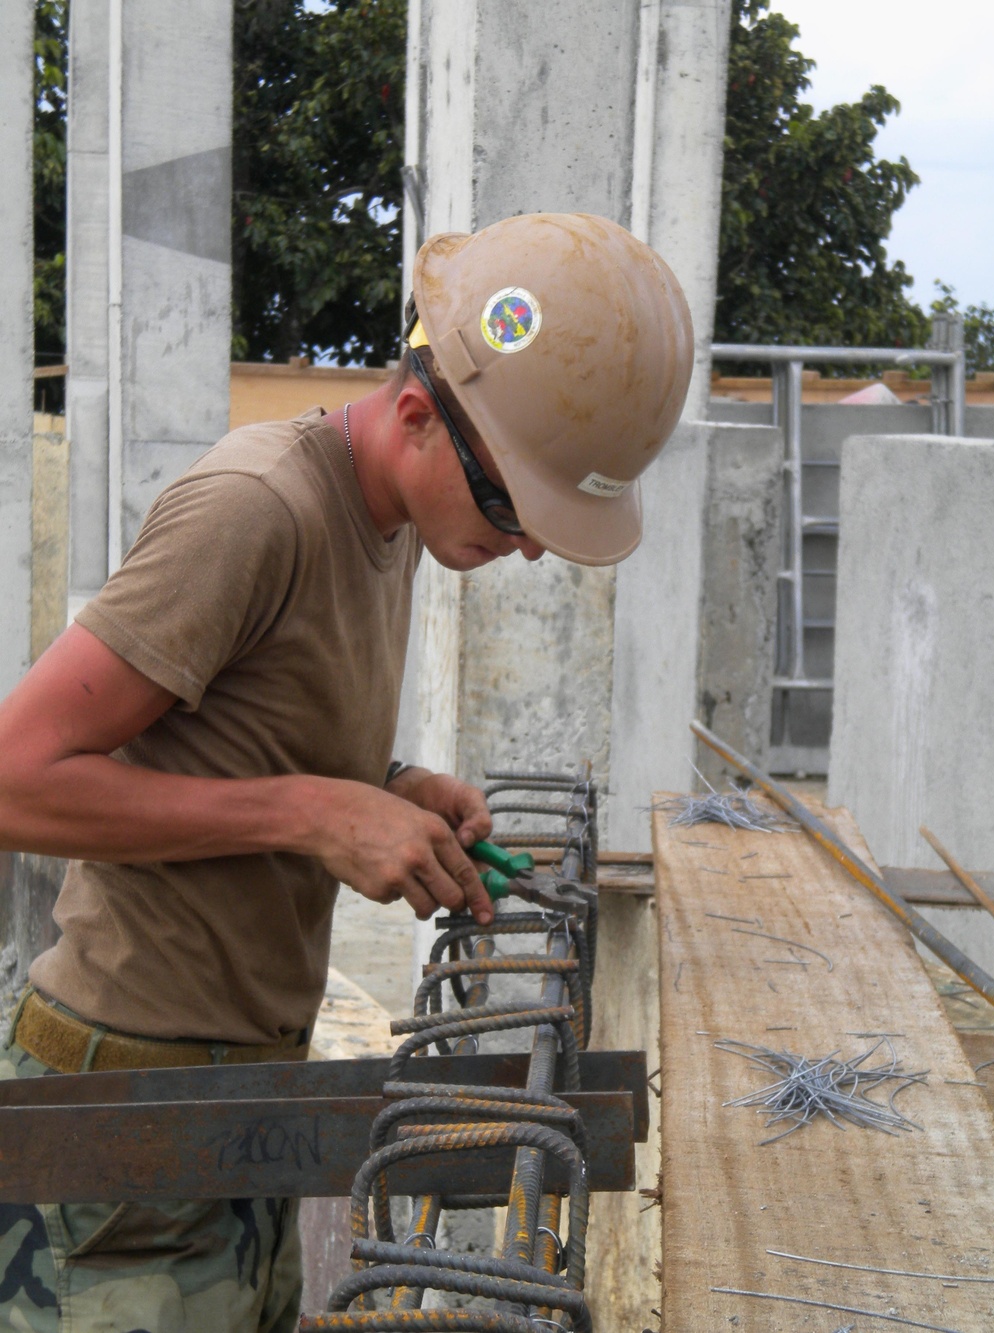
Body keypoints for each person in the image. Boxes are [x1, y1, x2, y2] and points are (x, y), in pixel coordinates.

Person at [0, 211, 693, 1331]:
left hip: (243, 1091)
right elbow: (14, 779)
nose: (523, 547)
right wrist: (316, 811)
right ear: (418, 415)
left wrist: (388, 779)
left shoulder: (395, 519)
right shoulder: (254, 506)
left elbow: (234, 711)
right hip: (117, 1118)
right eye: (515, 507)